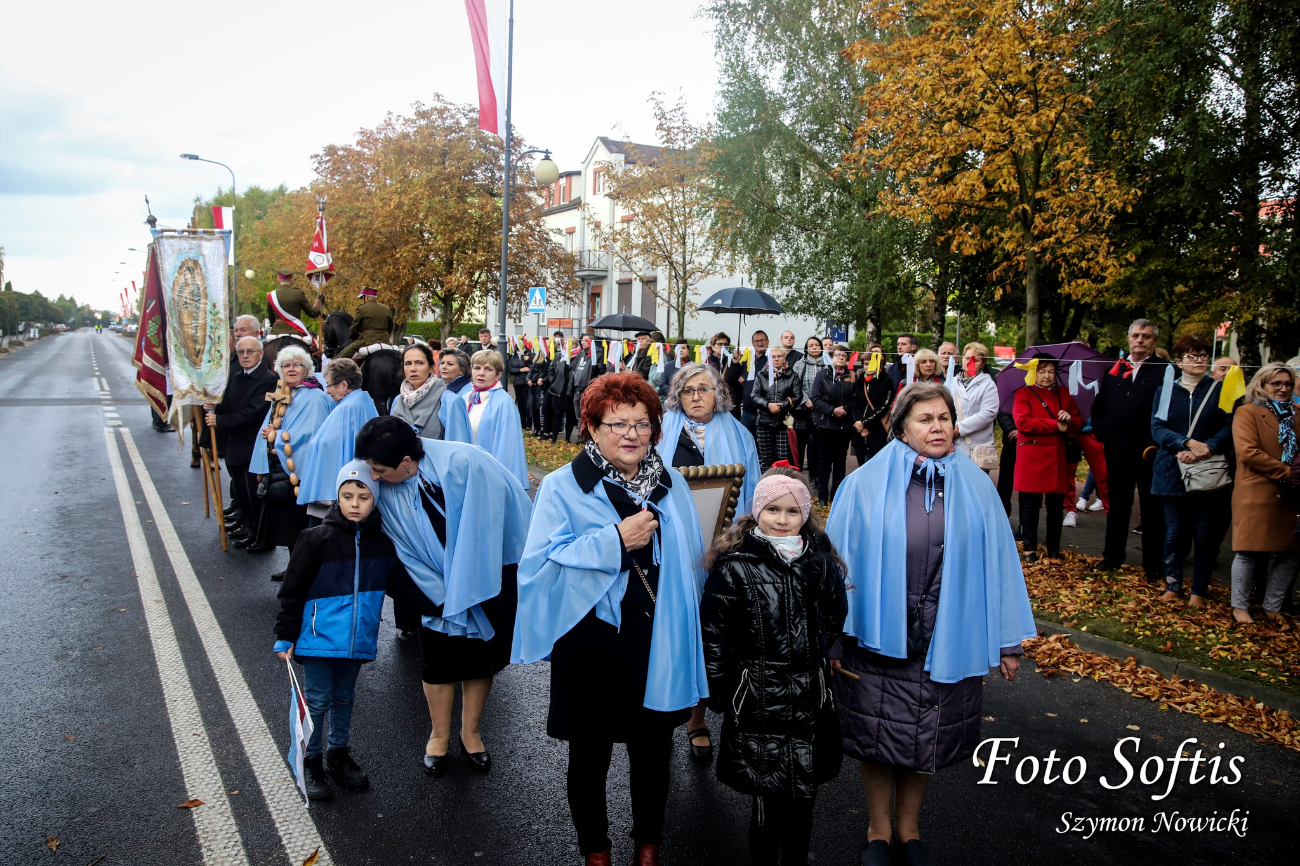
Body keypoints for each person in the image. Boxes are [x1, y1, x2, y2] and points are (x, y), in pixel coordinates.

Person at [825, 382, 1035, 866]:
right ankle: (878, 831)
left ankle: (909, 829)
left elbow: (1001, 562)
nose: (937, 427)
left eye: (944, 417)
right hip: (879, 633)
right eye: (925, 419)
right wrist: (831, 637)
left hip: (948, 633)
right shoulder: (863, 485)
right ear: (899, 428)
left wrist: (1007, 640)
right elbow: (835, 566)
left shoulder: (976, 484)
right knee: (879, 734)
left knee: (927, 732)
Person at [513, 373, 709, 866]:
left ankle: (648, 847)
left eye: (642, 424)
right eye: (617, 423)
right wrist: (615, 542)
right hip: (590, 640)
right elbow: (539, 565)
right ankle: (595, 852)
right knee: (589, 755)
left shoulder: (673, 482)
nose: (631, 434)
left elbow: (692, 561)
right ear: (592, 428)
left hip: (654, 639)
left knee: (652, 753)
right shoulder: (562, 486)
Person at [355, 416, 532, 777]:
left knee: (481, 659)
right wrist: (438, 595)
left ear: (407, 462)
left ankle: (471, 733)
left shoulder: (467, 463)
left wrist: (470, 586)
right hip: (428, 588)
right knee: (438, 663)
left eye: (379, 469)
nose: (373, 476)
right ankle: (438, 736)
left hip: (489, 575)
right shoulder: (380, 478)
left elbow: (499, 525)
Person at [700, 468, 847, 866]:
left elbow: (835, 614)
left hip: (808, 702)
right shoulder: (736, 567)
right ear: (757, 511)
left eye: (792, 511)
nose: (781, 519)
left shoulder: (820, 563)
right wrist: (723, 691)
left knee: (802, 799)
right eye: (772, 509)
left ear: (805, 516)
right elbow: (714, 633)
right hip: (759, 702)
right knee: (765, 806)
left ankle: (796, 860)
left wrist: (824, 659)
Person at [272, 460, 426, 799]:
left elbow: (401, 586)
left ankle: (337, 753)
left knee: (344, 698)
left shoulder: (382, 545)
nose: (355, 504)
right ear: (337, 498)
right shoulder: (315, 539)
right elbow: (293, 590)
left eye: (364, 497)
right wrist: (285, 634)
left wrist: (439, 607)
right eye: (347, 496)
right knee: (317, 700)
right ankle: (310, 759)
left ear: (375, 501)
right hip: (317, 639)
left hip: (357, 640)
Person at [1150, 335, 1234, 606]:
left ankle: (1199, 590)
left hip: (1207, 471)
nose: (1198, 361)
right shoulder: (1165, 390)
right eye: (1192, 356)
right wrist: (1185, 443)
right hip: (1171, 470)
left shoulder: (1220, 390)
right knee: (1174, 531)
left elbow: (1229, 425)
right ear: (1179, 361)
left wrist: (1206, 447)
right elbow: (1157, 428)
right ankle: (1172, 585)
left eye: (1202, 356)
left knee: (1204, 534)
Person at [1090, 319, 1171, 578]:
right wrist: (1105, 435)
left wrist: (1158, 442)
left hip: (1150, 452)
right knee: (1117, 508)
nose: (1140, 340)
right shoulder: (1115, 370)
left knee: (1152, 512)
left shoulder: (1165, 370)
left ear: (1154, 341)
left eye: (1146, 336)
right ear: (1128, 339)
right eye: (1135, 335)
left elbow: (1170, 410)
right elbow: (1100, 407)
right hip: (1117, 451)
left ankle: (1153, 566)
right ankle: (1112, 558)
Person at [248, 346, 332, 572]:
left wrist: (274, 437)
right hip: (281, 470)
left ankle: (301, 571)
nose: (291, 369)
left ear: (307, 370)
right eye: (286, 365)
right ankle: (293, 567)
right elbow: (276, 423)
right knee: (287, 525)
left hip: (299, 473)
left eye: (296, 365)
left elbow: (311, 434)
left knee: (299, 525)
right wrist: (270, 432)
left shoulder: (314, 397)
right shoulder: (283, 392)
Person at [1230, 363, 1300, 622]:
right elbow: (1248, 452)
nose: (1283, 389)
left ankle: (1273, 606)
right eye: (1277, 384)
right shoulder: (1247, 412)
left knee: (1290, 552)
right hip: (1257, 489)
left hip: (1291, 495)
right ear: (1262, 384)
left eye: (1288, 384)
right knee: (1248, 550)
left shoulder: (1297, 414)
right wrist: (1287, 472)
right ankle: (1239, 607)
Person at [659, 362, 762, 513]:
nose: (695, 397)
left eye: (704, 389)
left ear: (718, 393)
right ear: (678, 396)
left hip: (724, 523)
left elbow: (752, 487)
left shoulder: (741, 435)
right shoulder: (659, 431)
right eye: (687, 391)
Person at [205, 335, 277, 548]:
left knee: (252, 493)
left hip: (253, 443)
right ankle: (248, 527)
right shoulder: (237, 375)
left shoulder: (268, 379)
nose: (245, 356)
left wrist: (220, 420)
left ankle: (261, 536)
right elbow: (230, 404)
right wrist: (214, 407)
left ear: (260, 354)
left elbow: (253, 413)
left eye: (250, 351)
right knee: (240, 491)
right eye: (241, 352)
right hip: (236, 443)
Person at [1013, 354, 1083, 561]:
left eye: (1051, 371)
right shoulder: (1023, 394)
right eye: (1042, 371)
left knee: (1055, 506)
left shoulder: (1064, 394)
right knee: (1030, 505)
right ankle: (1029, 548)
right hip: (1032, 455)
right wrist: (1056, 425)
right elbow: (1023, 423)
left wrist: (1069, 420)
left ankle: (1054, 548)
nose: (1046, 376)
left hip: (1057, 457)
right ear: (1034, 372)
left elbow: (1079, 421)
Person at [295, 359, 379, 524]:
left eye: (329, 385)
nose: (327, 391)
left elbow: (326, 445)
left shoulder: (345, 409)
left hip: (336, 492)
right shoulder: (364, 400)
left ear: (343, 385)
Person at [450, 349, 530, 491]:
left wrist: (499, 483)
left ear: (498, 374)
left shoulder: (503, 402)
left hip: (487, 479)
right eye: (477, 368)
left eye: (488, 369)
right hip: (463, 474)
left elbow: (508, 447)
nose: (481, 373)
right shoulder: (465, 397)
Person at [811, 345, 855, 505]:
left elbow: (856, 398)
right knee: (824, 461)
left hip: (844, 425)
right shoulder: (822, 375)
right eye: (838, 354)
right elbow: (815, 397)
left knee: (840, 461)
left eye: (844, 355)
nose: (841, 357)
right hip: (825, 424)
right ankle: (822, 496)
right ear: (830, 357)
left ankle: (836, 495)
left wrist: (845, 409)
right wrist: (832, 410)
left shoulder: (852, 376)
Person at [945, 341, 999, 471]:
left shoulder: (988, 385)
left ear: (983, 364)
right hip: (953, 446)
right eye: (967, 358)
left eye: (976, 360)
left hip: (977, 450)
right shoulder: (951, 383)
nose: (970, 362)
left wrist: (960, 428)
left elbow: (988, 413)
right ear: (962, 359)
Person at [749, 346, 802, 471]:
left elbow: (797, 396)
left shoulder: (792, 375)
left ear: (785, 358)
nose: (776, 359)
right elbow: (754, 396)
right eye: (773, 357)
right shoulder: (761, 375)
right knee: (766, 458)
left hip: (784, 422)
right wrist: (768, 405)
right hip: (764, 421)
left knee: (783, 459)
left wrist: (783, 405)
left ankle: (782, 487)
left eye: (779, 356)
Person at [391, 343, 447, 439]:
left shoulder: (446, 400)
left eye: (419, 363)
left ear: (431, 367)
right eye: (408, 363)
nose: (413, 369)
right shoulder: (398, 400)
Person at [851, 348, 896, 465]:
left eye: (871, 363)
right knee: (861, 465)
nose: (868, 367)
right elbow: (854, 404)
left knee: (876, 465)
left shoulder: (886, 381)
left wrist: (865, 422)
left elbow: (883, 406)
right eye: (865, 364)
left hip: (878, 430)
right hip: (859, 431)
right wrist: (860, 425)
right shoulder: (860, 381)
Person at [791, 337, 825, 472]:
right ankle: (797, 472)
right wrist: (806, 400)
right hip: (802, 411)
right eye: (811, 345)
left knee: (816, 445)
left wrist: (819, 402)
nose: (814, 347)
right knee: (800, 444)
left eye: (817, 345)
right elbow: (795, 385)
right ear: (806, 348)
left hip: (821, 411)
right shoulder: (799, 365)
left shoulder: (828, 364)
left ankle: (814, 475)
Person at [335, 286, 394, 359]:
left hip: (366, 340)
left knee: (340, 358)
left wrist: (354, 336)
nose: (362, 300)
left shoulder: (361, 308)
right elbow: (390, 327)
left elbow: (355, 327)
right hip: (384, 340)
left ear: (365, 297)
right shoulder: (386, 309)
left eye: (362, 298)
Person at [266, 269, 323, 339]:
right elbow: (313, 313)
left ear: (278, 279)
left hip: (276, 332)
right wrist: (319, 301)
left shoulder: (271, 295)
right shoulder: (298, 293)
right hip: (296, 331)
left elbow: (271, 318)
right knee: (313, 348)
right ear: (292, 279)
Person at [437, 349, 473, 443]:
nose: (444, 367)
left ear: (462, 369)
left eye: (450, 364)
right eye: (442, 363)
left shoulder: (469, 393)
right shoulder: (441, 388)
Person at [739, 330, 770, 436]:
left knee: (762, 445)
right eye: (757, 341)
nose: (760, 343)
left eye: (762, 340)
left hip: (764, 412)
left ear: (768, 342)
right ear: (752, 343)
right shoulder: (747, 359)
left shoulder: (771, 359)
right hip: (747, 411)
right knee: (745, 442)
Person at [571, 335, 604, 432]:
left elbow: (599, 370)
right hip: (577, 389)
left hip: (588, 389)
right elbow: (574, 367)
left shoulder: (598, 354)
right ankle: (580, 435)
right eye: (582, 340)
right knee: (579, 416)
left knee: (587, 415)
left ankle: (586, 436)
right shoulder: (581, 354)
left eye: (586, 340)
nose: (583, 342)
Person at [545, 339, 573, 443]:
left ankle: (568, 439)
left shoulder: (576, 357)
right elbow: (550, 369)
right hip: (558, 389)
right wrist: (553, 382)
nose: (565, 345)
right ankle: (554, 438)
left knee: (570, 415)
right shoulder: (559, 355)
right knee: (557, 413)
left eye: (568, 344)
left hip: (570, 390)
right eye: (565, 344)